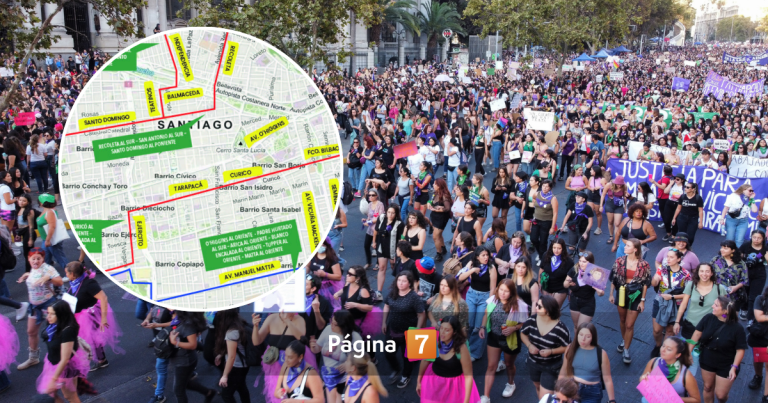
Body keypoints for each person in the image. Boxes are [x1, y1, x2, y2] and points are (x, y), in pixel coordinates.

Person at [64, 261, 123, 371]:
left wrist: (104, 318)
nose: (66, 275)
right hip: (78, 314)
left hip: (90, 314)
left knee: (93, 337)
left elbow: (103, 298)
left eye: (67, 273)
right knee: (87, 338)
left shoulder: (89, 284)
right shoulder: (75, 282)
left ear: (73, 274)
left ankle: (100, 360)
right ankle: (98, 360)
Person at [689, 296, 746, 403]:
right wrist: (688, 352)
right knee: (707, 387)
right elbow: (696, 334)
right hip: (707, 359)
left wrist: (734, 367)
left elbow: (740, 350)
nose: (712, 306)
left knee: (721, 395)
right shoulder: (708, 318)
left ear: (725, 311)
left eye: (715, 305)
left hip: (727, 364)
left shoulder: (737, 328)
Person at [479, 279, 528, 400]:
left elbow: (525, 323)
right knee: (491, 366)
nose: (502, 293)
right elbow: (486, 313)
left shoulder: (519, 304)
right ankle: (486, 397)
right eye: (501, 289)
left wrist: (514, 328)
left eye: (506, 291)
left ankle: (511, 384)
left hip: (511, 339)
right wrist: (482, 327)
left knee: (509, 364)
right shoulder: (493, 299)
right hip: (494, 337)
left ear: (511, 292)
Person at [36, 300, 94, 402]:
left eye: (52, 314)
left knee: (70, 396)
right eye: (48, 313)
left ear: (61, 315)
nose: (48, 317)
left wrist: (54, 379)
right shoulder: (53, 325)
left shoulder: (67, 330)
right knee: (51, 395)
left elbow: (65, 359)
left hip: (65, 368)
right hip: (52, 363)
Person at [252, 311, 315, 403]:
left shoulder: (299, 319)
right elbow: (256, 341)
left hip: (294, 363)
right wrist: (255, 326)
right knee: (277, 392)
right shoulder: (271, 318)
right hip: (275, 363)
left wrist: (288, 322)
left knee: (295, 390)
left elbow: (302, 339)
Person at [16, 248, 63, 370]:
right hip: (34, 306)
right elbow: (35, 276)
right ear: (28, 259)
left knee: (56, 332)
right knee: (31, 332)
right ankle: (33, 358)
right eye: (33, 258)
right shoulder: (33, 268)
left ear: (43, 259)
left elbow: (59, 282)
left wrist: (48, 278)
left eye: (39, 258)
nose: (36, 261)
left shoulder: (47, 268)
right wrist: (27, 275)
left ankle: (64, 357)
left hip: (48, 305)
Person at [417, 316, 481, 403]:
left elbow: (468, 376)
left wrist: (466, 401)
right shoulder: (434, 340)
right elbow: (425, 361)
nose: (442, 333)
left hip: (454, 387)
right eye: (441, 328)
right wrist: (419, 381)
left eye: (447, 330)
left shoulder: (461, 348)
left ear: (454, 332)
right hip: (433, 383)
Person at [609, 238, 651, 364]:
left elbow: (645, 284)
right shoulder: (619, 261)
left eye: (628, 246)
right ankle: (624, 339)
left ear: (635, 249)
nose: (625, 247)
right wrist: (611, 294)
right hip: (621, 293)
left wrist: (642, 301)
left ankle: (626, 349)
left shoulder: (644, 264)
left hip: (636, 294)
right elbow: (613, 279)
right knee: (622, 320)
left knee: (629, 324)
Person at [521, 295, 571, 399]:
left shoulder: (561, 329)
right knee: (538, 387)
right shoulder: (532, 320)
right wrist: (529, 345)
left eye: (539, 306)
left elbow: (568, 347)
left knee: (546, 395)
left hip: (551, 366)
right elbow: (523, 333)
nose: (536, 308)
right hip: (533, 362)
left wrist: (551, 351)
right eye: (537, 305)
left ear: (548, 311)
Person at [381, 272, 425, 388]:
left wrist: (417, 331)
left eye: (404, 281)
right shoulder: (393, 292)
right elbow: (386, 305)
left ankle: (406, 376)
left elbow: (421, 314)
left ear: (409, 283)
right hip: (392, 329)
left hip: (408, 332)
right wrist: (384, 322)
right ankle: (396, 369)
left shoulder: (414, 297)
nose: (400, 283)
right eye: (399, 280)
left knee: (407, 357)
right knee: (388, 353)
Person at [310, 310, 362, 403]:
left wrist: (349, 364)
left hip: (345, 378)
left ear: (343, 326)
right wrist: (313, 347)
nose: (331, 326)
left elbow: (363, 359)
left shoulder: (355, 337)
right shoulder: (328, 330)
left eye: (335, 324)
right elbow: (317, 349)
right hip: (329, 375)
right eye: (331, 322)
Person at [457, 245, 498, 361]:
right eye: (483, 255)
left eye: (487, 255)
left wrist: (489, 304)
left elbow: (492, 288)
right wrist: (472, 270)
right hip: (472, 295)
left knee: (479, 325)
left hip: (484, 297)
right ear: (477, 257)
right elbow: (461, 277)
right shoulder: (472, 263)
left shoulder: (491, 268)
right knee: (468, 323)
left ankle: (475, 353)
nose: (486, 257)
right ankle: (465, 346)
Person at [559, 322, 616, 403]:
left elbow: (607, 379)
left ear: (592, 337)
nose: (583, 339)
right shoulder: (570, 348)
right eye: (581, 335)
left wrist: (612, 400)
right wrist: (558, 390)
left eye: (588, 336)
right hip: (572, 388)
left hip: (592, 392)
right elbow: (564, 370)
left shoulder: (601, 353)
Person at [650, 249, 691, 358]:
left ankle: (664, 350)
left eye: (671, 257)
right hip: (660, 302)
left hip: (676, 305)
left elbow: (688, 294)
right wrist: (654, 280)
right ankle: (658, 345)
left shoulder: (686, 274)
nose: (667, 259)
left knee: (669, 330)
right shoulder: (661, 269)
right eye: (667, 256)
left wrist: (672, 296)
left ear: (679, 259)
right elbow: (654, 282)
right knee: (657, 330)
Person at [639, 337, 701, 403]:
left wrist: (673, 399)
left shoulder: (686, 375)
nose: (663, 350)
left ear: (677, 355)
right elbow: (642, 381)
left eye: (668, 349)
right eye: (663, 346)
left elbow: (696, 400)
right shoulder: (653, 362)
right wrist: (643, 378)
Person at [213, 308, 251, 403]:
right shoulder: (240, 324)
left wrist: (225, 375)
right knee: (241, 387)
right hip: (244, 364)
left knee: (226, 395)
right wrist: (221, 355)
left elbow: (231, 357)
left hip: (237, 367)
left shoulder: (231, 332)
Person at [336, 266, 379, 338]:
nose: (347, 275)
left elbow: (369, 308)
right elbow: (345, 289)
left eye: (350, 274)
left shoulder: (363, 290)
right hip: (345, 318)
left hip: (356, 321)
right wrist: (337, 293)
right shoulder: (348, 283)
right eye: (347, 273)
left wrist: (355, 305)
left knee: (360, 342)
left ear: (358, 278)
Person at [563, 251, 604, 327]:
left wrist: (599, 290)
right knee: (576, 326)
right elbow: (565, 285)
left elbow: (601, 293)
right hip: (574, 300)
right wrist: (568, 283)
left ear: (590, 263)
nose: (581, 263)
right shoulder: (574, 269)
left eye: (584, 262)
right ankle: (575, 339)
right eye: (580, 261)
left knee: (581, 327)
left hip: (588, 303)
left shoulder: (596, 273)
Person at [710, 241, 749, 316]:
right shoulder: (716, 260)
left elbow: (745, 280)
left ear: (733, 250)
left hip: (734, 297)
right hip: (717, 294)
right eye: (722, 247)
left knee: (731, 318)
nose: (722, 250)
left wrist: (735, 287)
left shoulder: (741, 263)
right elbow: (708, 273)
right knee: (715, 316)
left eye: (726, 248)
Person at [372, 205, 404, 293]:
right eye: (389, 212)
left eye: (393, 213)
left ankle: (397, 289)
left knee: (395, 268)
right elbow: (376, 230)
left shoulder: (399, 223)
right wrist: (374, 241)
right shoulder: (382, 217)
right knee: (382, 268)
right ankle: (379, 291)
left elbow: (401, 238)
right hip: (382, 246)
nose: (390, 215)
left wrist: (398, 253)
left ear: (396, 214)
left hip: (393, 249)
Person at [306, 238, 343, 312]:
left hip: (327, 288)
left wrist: (325, 274)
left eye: (322, 245)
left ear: (327, 246)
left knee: (326, 306)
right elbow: (307, 267)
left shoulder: (332, 258)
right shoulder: (313, 255)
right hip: (314, 285)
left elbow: (338, 276)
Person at [740, 230, 768, 322]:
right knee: (744, 293)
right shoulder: (745, 245)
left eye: (759, 238)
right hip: (745, 273)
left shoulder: (765, 248)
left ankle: (751, 318)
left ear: (763, 239)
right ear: (751, 237)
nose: (756, 240)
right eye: (754, 237)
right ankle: (744, 308)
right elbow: (737, 257)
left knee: (754, 296)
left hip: (759, 274)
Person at [36, 193, 68, 269]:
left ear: (41, 203)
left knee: (60, 257)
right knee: (45, 257)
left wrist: (48, 240)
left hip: (51, 240)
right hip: (46, 239)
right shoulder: (48, 210)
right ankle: (47, 274)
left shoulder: (49, 212)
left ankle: (71, 274)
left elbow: (52, 227)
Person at [539, 238, 573, 307]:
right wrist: (539, 282)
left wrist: (571, 292)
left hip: (560, 287)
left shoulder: (569, 261)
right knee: (546, 308)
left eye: (559, 248)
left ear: (563, 249)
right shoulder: (546, 255)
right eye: (554, 248)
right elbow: (541, 269)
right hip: (547, 285)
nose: (556, 251)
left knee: (554, 309)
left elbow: (571, 277)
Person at [721, 184, 757, 248]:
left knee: (740, 240)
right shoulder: (733, 196)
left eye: (752, 191)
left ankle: (737, 255)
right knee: (730, 239)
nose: (751, 192)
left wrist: (752, 199)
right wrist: (722, 218)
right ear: (743, 190)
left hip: (743, 221)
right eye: (750, 190)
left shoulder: (749, 199)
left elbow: (754, 210)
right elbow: (726, 208)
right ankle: (728, 254)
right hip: (731, 219)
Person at [748, 286, 768, 401]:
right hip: (760, 336)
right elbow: (759, 317)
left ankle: (766, 396)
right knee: (758, 360)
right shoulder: (761, 299)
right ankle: (758, 376)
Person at [530, 179, 559, 260]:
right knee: (533, 238)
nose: (545, 188)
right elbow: (533, 200)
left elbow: (555, 213)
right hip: (536, 220)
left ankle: (542, 258)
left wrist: (552, 227)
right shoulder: (537, 194)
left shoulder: (553, 199)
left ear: (550, 188)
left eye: (547, 186)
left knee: (543, 241)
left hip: (546, 222)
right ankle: (541, 254)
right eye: (543, 186)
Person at [672, 181, 705, 247]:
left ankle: (688, 248)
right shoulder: (683, 196)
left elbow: (700, 211)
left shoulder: (698, 198)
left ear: (693, 189)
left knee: (690, 237)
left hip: (693, 219)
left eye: (687, 187)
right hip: (682, 218)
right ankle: (680, 249)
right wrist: (674, 218)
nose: (685, 188)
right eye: (685, 187)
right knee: (681, 235)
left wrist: (700, 222)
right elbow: (678, 208)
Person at [428, 178, 453, 262]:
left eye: (435, 184)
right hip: (434, 216)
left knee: (435, 237)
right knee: (438, 235)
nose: (433, 185)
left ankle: (439, 254)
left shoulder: (444, 195)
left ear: (439, 186)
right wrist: (429, 204)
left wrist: (437, 209)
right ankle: (443, 248)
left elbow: (447, 208)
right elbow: (431, 201)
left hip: (441, 218)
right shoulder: (436, 193)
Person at [15, 194, 40, 272]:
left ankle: (29, 272)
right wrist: (18, 234)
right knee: (28, 253)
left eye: (24, 201)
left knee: (28, 254)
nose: (21, 202)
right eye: (20, 200)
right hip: (23, 232)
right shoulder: (19, 209)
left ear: (28, 202)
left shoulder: (29, 211)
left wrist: (31, 239)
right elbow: (20, 225)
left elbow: (31, 226)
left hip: (28, 233)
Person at [600, 175, 628, 246]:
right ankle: (611, 236)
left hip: (619, 204)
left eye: (620, 184)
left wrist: (625, 206)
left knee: (617, 223)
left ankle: (617, 239)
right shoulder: (609, 185)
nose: (619, 185)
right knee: (610, 221)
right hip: (610, 203)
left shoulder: (624, 186)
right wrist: (601, 206)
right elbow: (603, 195)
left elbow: (625, 196)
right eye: (618, 184)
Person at [361, 189, 386, 269]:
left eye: (373, 195)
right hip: (370, 229)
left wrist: (368, 222)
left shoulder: (380, 204)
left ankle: (378, 263)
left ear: (377, 196)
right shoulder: (370, 204)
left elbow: (379, 218)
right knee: (366, 246)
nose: (370, 197)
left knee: (378, 246)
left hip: (378, 229)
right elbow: (370, 217)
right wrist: (366, 220)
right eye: (369, 195)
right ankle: (369, 262)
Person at [587, 166, 605, 235]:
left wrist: (600, 187)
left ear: (595, 171)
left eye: (592, 170)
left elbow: (607, 188)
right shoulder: (591, 178)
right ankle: (588, 226)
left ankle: (599, 228)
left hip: (598, 197)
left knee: (598, 213)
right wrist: (591, 188)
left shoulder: (602, 179)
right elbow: (588, 186)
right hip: (591, 195)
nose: (590, 171)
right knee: (589, 212)